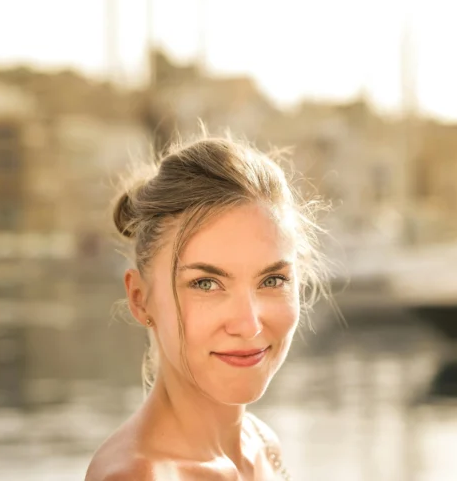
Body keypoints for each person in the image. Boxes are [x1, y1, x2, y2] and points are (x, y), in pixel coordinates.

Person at [85, 136, 330, 480]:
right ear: (140, 299)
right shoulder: (140, 476)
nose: (249, 325)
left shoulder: (261, 445)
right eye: (206, 283)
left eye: (272, 280)